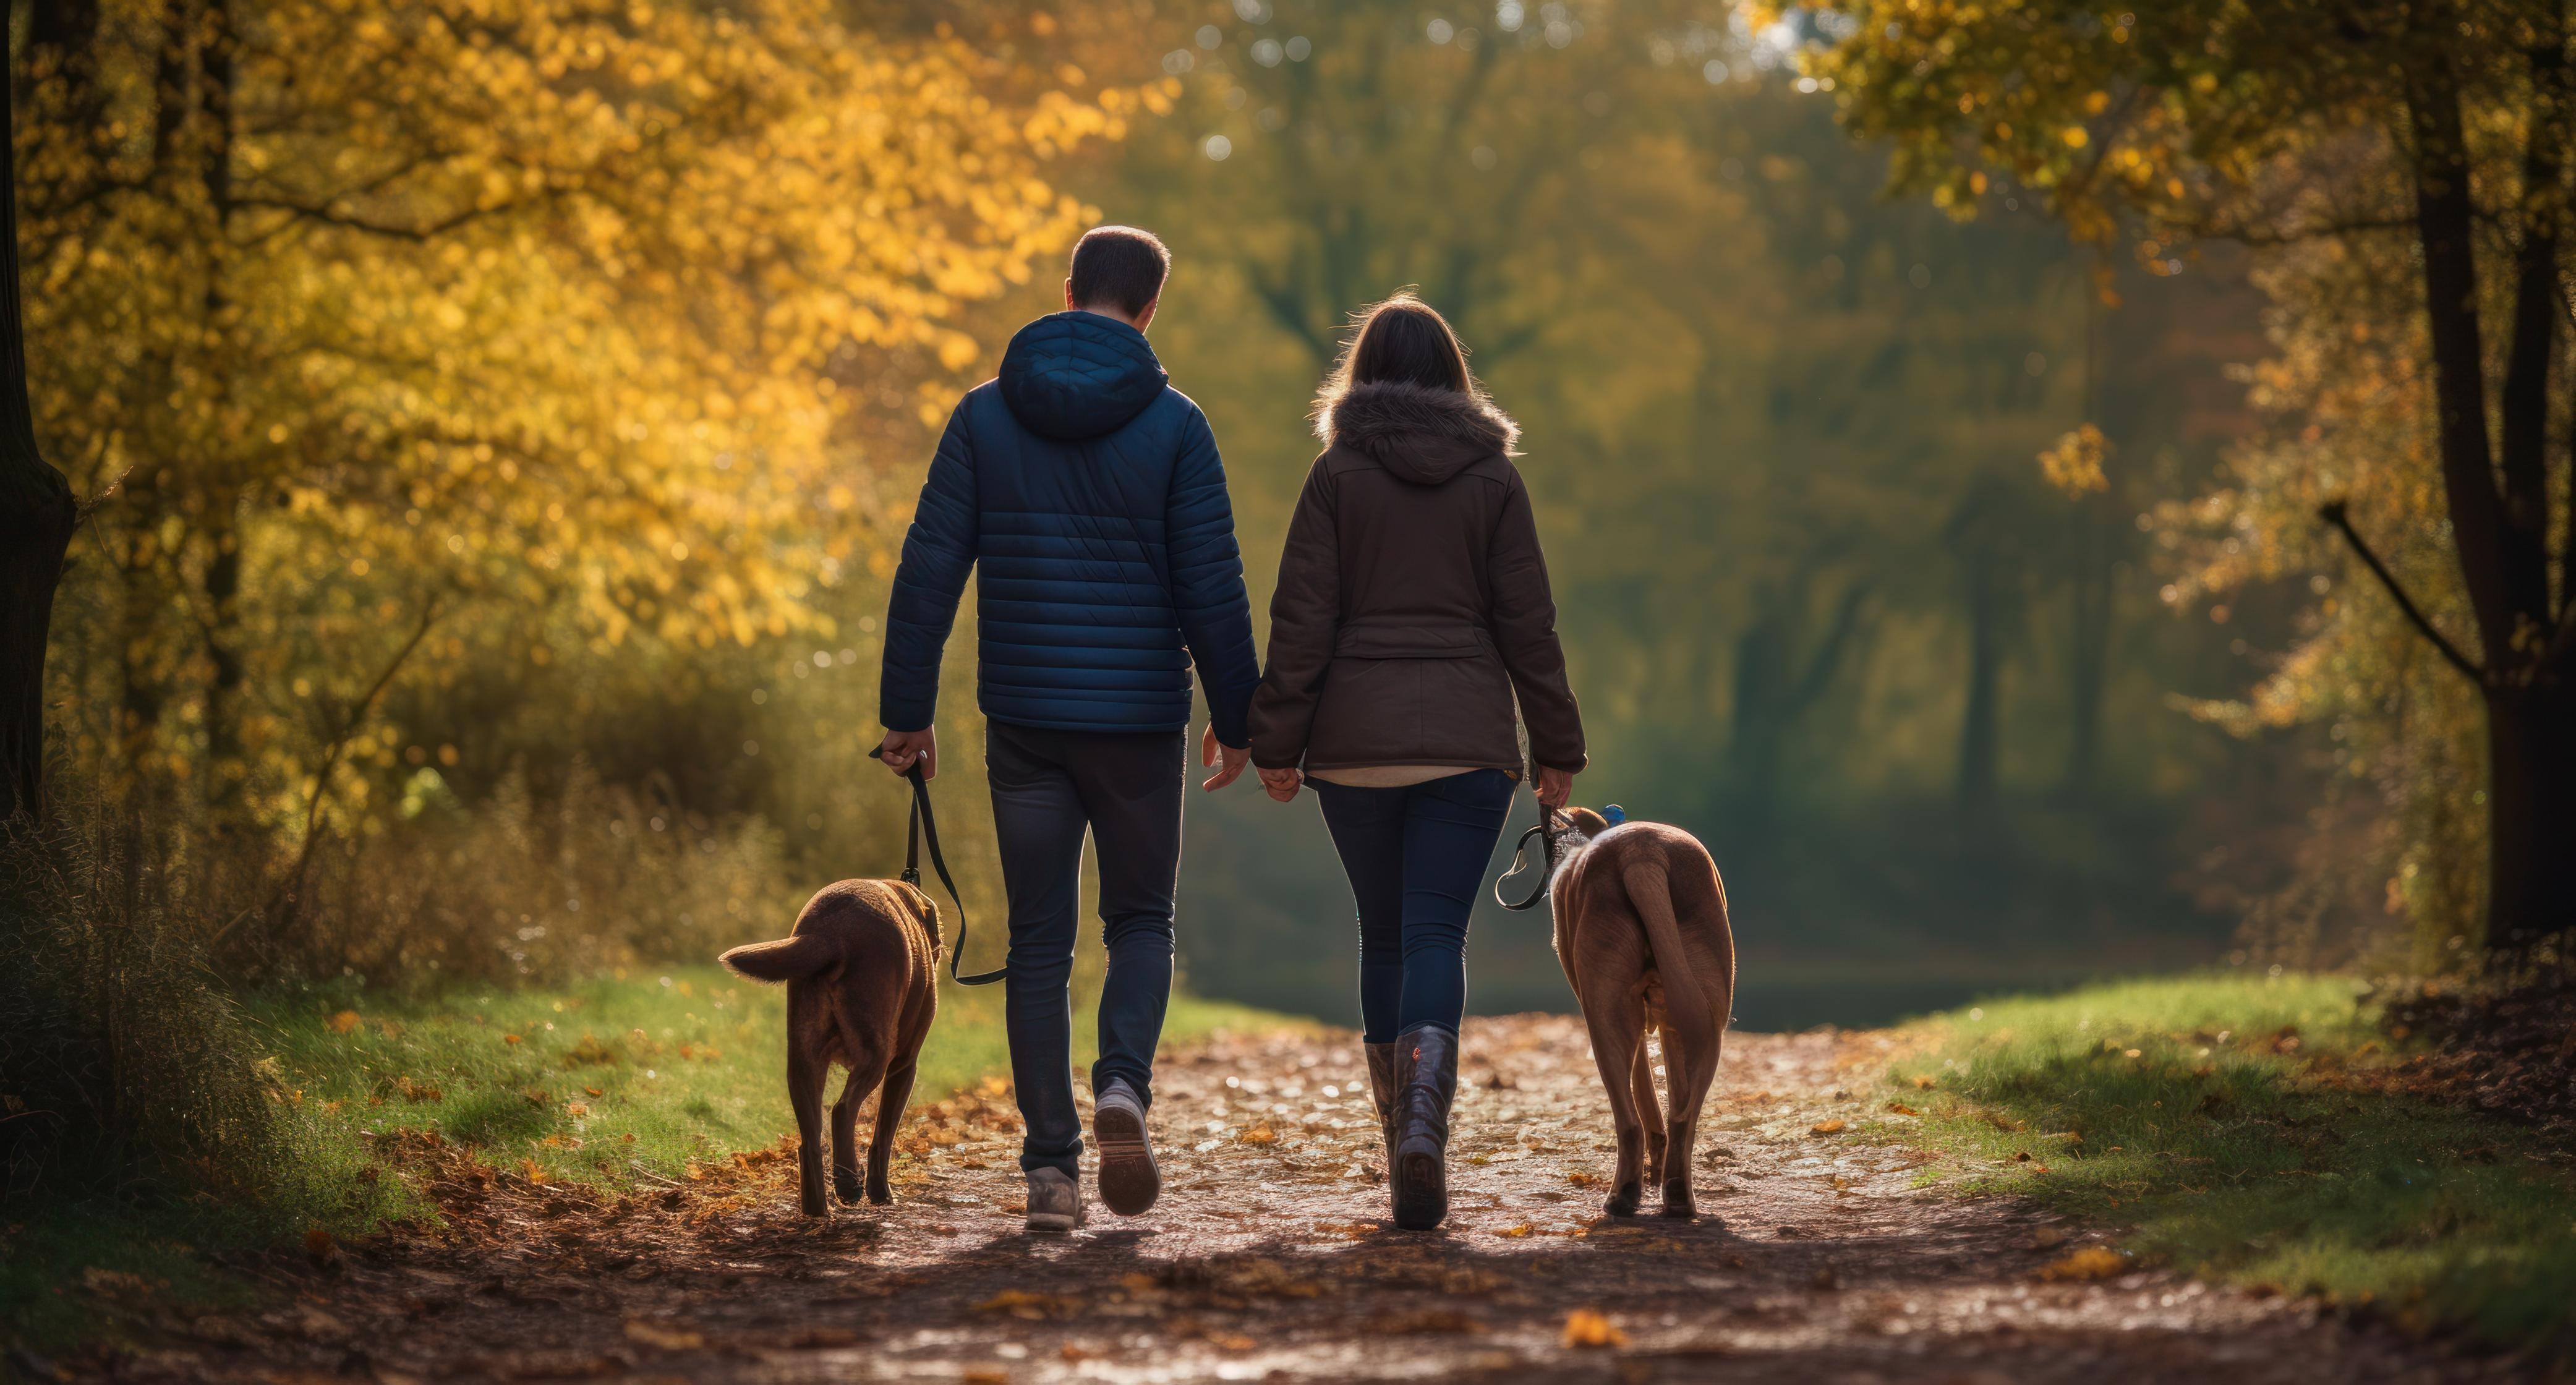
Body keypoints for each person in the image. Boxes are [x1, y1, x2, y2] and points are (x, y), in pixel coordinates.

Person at [876, 226, 1260, 1234]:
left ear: (1067, 291)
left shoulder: (982, 417)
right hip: (1137, 722)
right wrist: (1241, 719)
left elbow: (928, 572)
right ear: (1150, 308)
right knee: (1139, 923)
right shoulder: (1178, 426)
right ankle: (1122, 1088)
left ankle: (1050, 1174)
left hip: (1027, 723)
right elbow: (1212, 592)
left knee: (1038, 943)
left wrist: (906, 714)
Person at [1246, 293, 1584, 1230]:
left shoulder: (1336, 475)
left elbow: (1301, 619)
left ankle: (1396, 1125)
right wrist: (1557, 745)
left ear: (1361, 374)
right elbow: (1529, 624)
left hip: (1354, 745)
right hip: (1468, 743)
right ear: (1452, 377)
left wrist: (1277, 741)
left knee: (1383, 934)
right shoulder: (1492, 481)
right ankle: (1424, 1131)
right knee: (1438, 933)